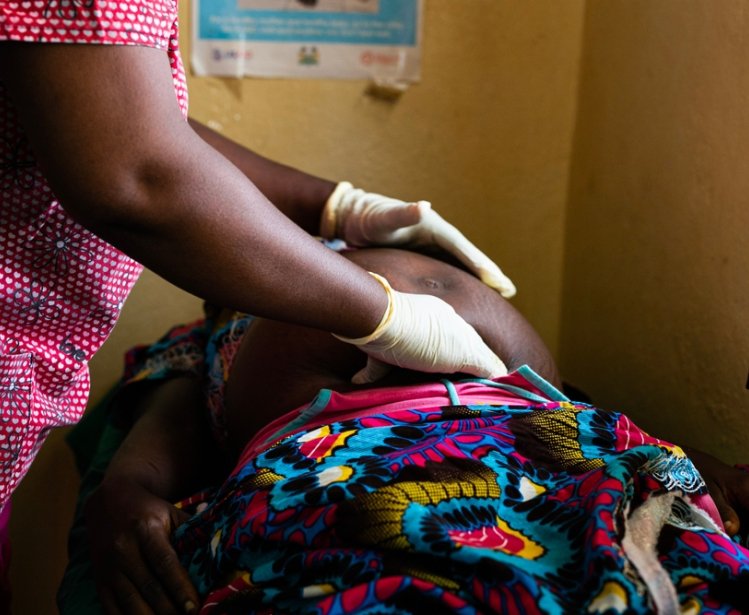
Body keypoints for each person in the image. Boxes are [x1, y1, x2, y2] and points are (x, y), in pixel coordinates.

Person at [0, 1, 516, 600]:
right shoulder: (231, 325)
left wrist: (334, 207)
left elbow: (106, 104)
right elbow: (133, 164)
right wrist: (385, 314)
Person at [63, 247, 749, 614]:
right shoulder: (213, 329)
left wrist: (664, 451)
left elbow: (569, 417)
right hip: (347, 439)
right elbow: (169, 418)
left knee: (600, 496)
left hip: (509, 413)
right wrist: (127, 488)